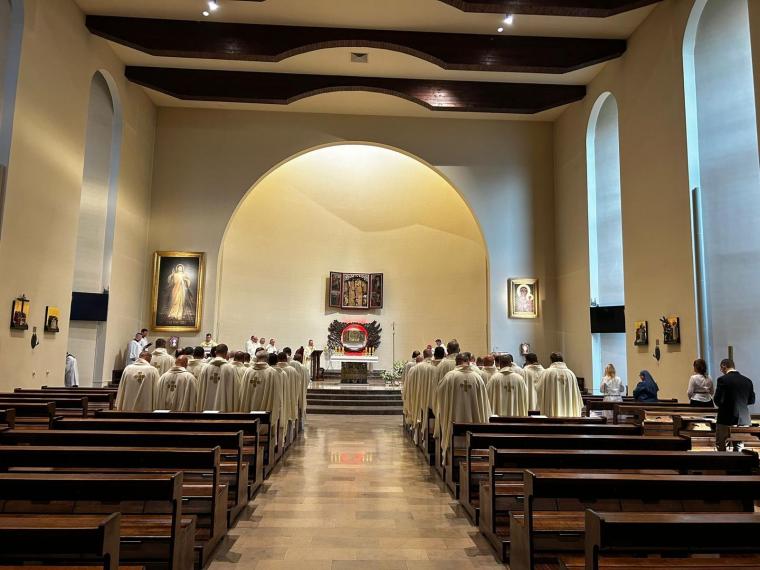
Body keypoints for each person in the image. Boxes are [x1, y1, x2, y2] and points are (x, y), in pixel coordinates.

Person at [435, 352, 491, 459]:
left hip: (454, 423)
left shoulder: (449, 377)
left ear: (456, 362)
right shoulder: (477, 378)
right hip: (475, 427)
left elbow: (439, 394)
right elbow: (484, 402)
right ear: (468, 362)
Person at [714, 359, 755, 451]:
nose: (721, 370)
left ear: (724, 366)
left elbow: (717, 400)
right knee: (739, 446)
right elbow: (752, 400)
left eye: (721, 368)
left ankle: (723, 460)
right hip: (743, 419)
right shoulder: (747, 381)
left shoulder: (722, 380)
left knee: (721, 445)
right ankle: (739, 460)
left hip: (726, 418)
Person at [538, 352, 583, 417]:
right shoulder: (571, 374)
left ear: (551, 361)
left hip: (551, 413)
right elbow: (577, 396)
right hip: (569, 413)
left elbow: (539, 390)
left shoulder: (547, 373)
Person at [197, 343, 238, 412]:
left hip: (206, 410)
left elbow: (201, 389)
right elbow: (234, 391)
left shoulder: (205, 368)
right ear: (226, 353)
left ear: (215, 352)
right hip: (224, 410)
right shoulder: (230, 368)